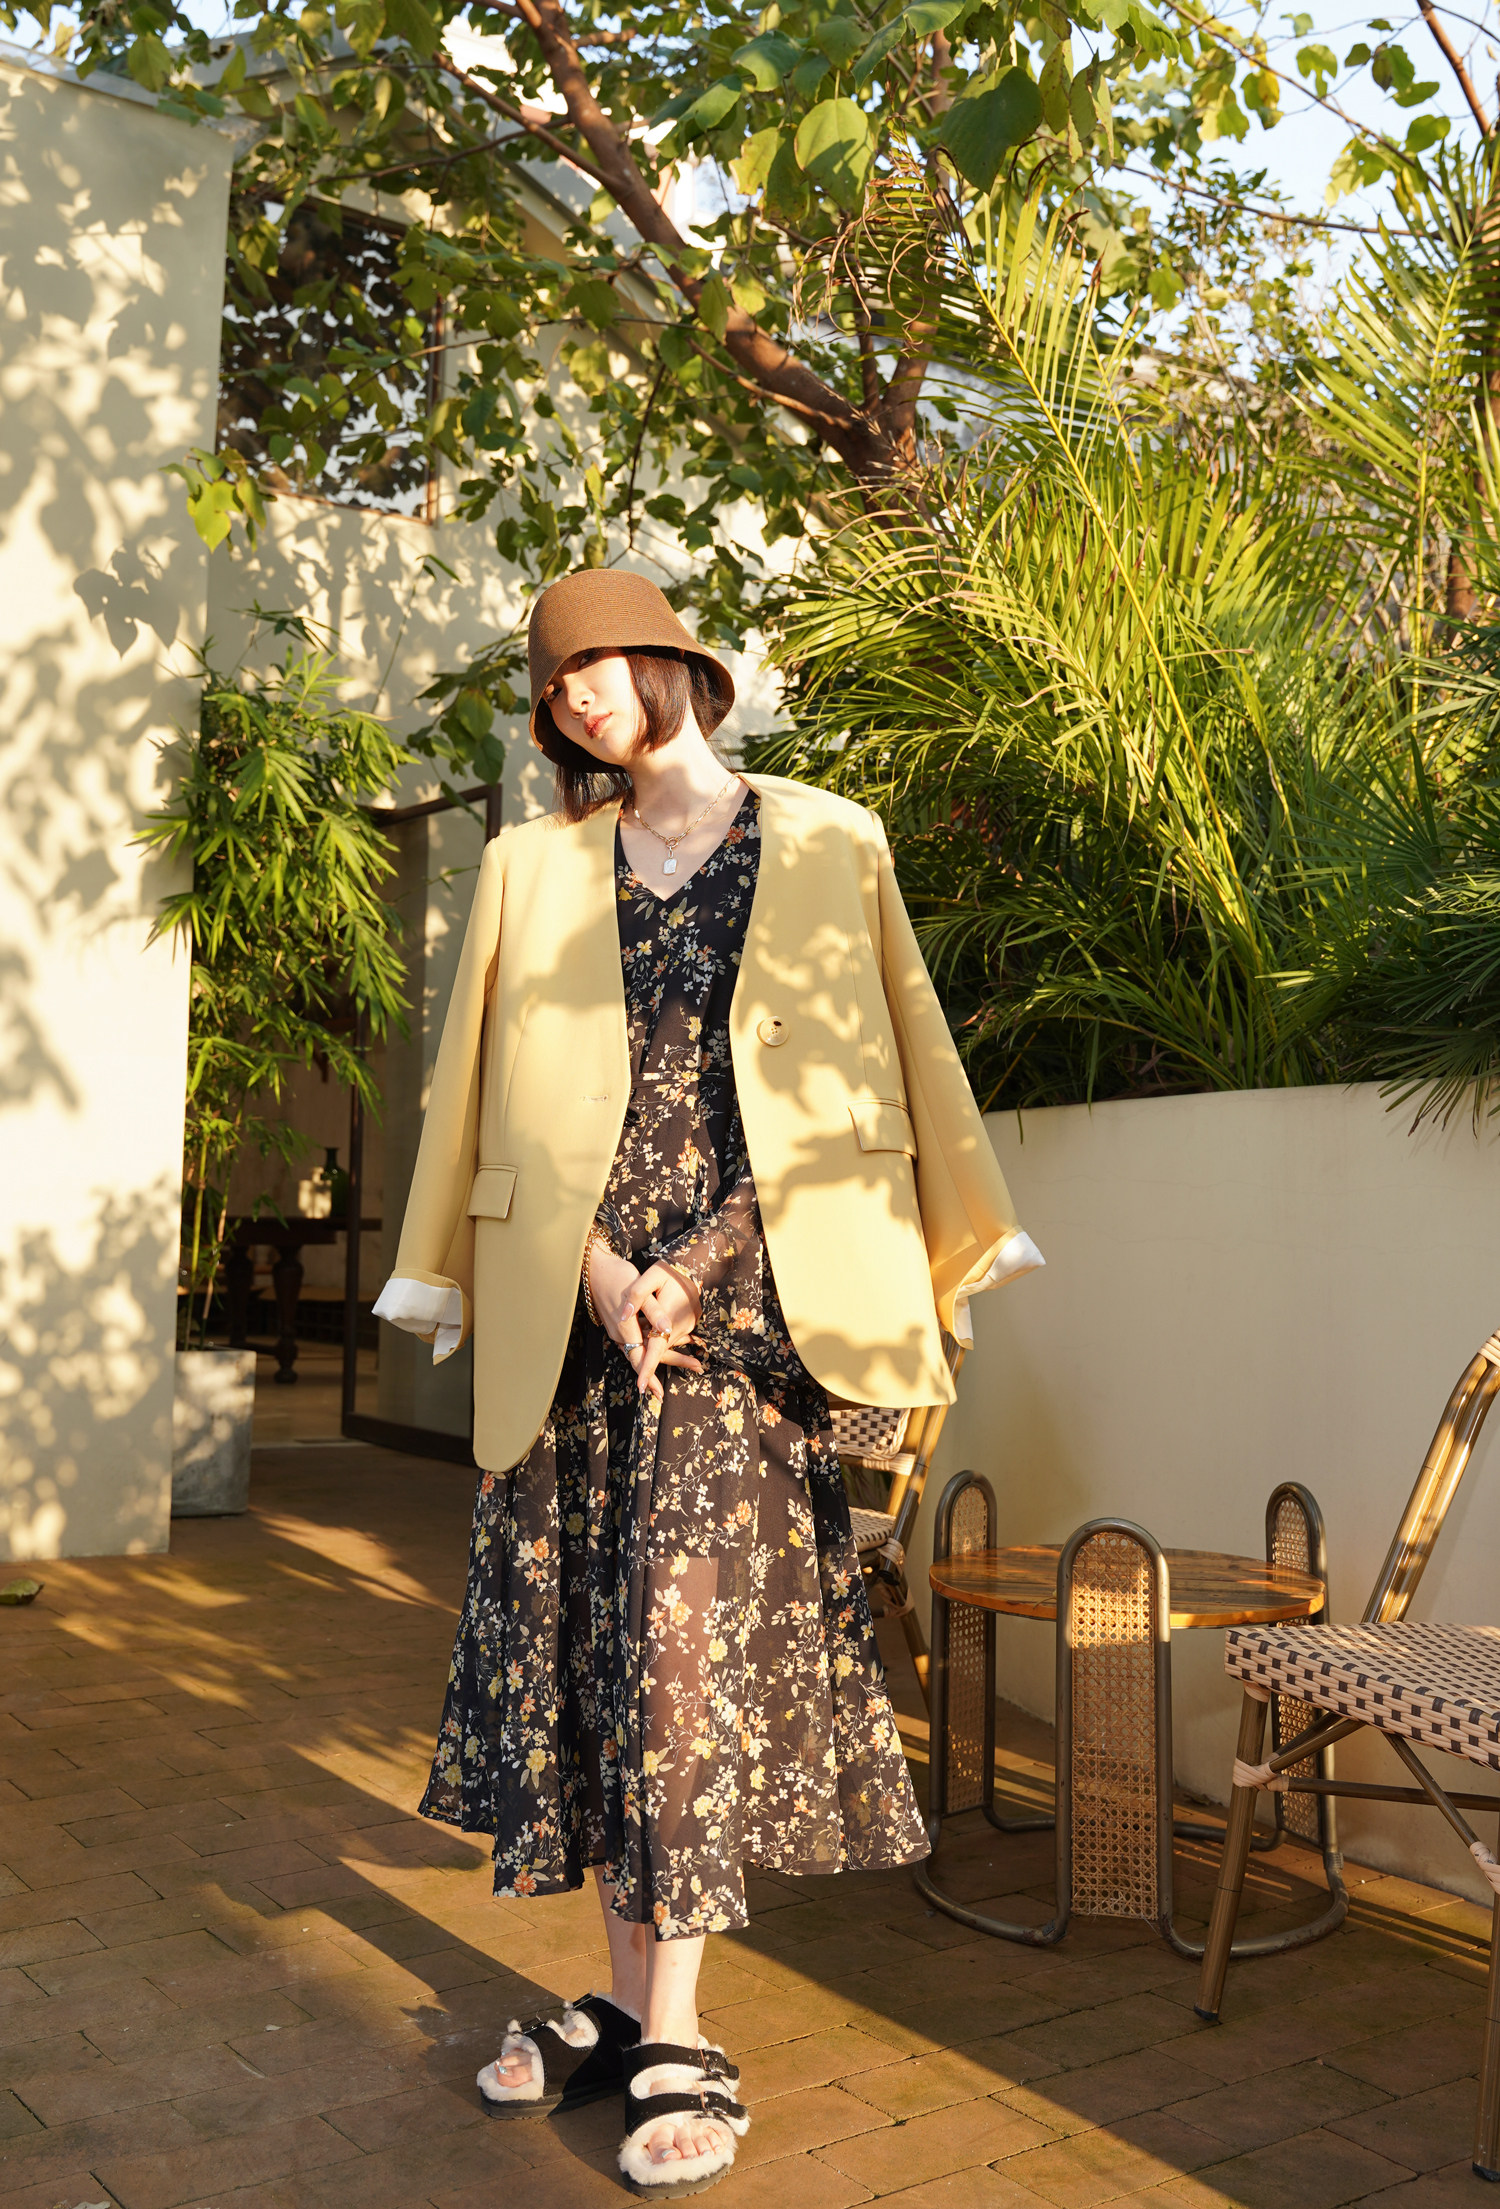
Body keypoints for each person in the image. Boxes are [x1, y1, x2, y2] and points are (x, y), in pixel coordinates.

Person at [372, 568, 1042, 2198]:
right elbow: (484, 1089)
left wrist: (700, 1264)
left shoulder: (829, 839)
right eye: (554, 680)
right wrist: (600, 1268)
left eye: (597, 659)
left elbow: (882, 1068)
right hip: (578, 1316)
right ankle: (622, 2003)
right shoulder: (532, 864)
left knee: (682, 1665)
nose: (575, 692)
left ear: (672, 661)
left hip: (745, 1325)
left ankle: (674, 2028)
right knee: (598, 1660)